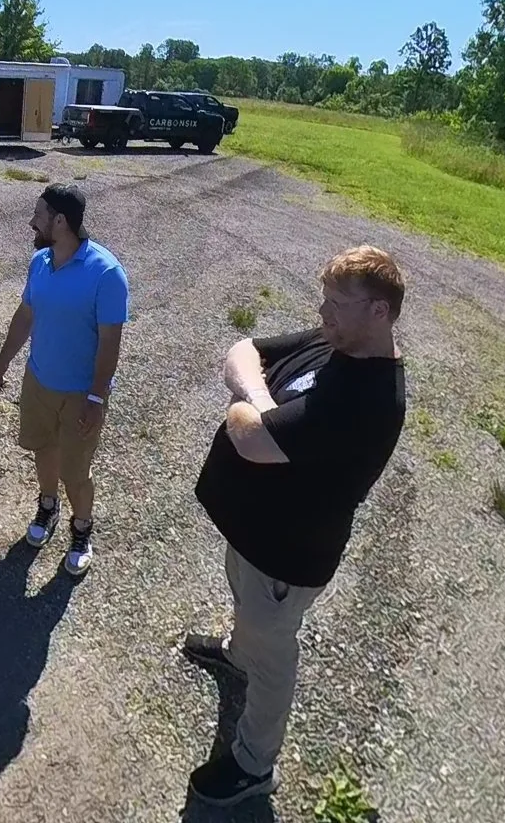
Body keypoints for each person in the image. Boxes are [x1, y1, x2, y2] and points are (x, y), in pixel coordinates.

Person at [182, 246, 408, 807]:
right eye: (324, 299)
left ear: (379, 312)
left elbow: (250, 437)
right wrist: (260, 400)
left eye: (338, 302)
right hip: (254, 536)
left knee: (275, 652)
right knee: (246, 607)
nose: (323, 311)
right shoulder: (334, 340)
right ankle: (238, 654)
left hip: (286, 555)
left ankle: (255, 765)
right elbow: (243, 350)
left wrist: (253, 415)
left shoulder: (368, 397)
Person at [0, 184, 128, 577]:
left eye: (39, 214)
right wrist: (2, 365)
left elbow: (110, 343)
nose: (32, 221)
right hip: (38, 383)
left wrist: (97, 399)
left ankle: (82, 529)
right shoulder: (41, 263)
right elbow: (26, 316)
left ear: (60, 221)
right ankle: (47, 507)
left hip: (80, 393)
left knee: (76, 471)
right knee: (43, 450)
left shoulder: (107, 273)